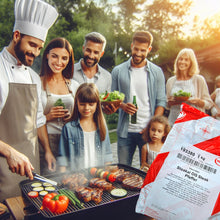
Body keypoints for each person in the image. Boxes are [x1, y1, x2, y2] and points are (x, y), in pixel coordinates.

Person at [0, 0, 58, 201]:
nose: (35, 52)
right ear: (17, 35)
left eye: (40, 47)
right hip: (3, 168)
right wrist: (9, 152)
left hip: (31, 165)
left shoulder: (33, 77)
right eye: (32, 44)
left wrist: (47, 151)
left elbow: (38, 121)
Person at [111, 31, 167, 166]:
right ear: (131, 46)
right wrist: (123, 106)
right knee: (123, 170)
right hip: (125, 132)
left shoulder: (157, 72)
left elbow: (161, 101)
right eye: (136, 49)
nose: (138, 53)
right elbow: (111, 98)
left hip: (148, 133)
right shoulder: (118, 71)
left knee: (149, 171)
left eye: (143, 50)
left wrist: (150, 125)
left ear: (149, 50)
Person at [39, 38, 79, 175]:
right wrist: (48, 116)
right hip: (44, 142)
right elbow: (30, 120)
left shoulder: (74, 85)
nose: (59, 62)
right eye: (55, 56)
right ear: (47, 56)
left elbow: (83, 117)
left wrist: (72, 117)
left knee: (70, 182)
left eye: (64, 58)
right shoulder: (37, 83)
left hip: (69, 142)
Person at [57, 83, 113, 172]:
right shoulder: (68, 128)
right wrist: (62, 178)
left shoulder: (102, 126)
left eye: (91, 104)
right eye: (82, 104)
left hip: (98, 177)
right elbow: (63, 159)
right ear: (77, 103)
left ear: (97, 104)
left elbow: (107, 156)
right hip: (78, 178)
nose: (86, 108)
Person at [166, 48, 213, 126]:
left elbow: (209, 104)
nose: (182, 62)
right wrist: (170, 102)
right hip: (174, 123)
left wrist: (198, 101)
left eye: (186, 60)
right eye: (180, 59)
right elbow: (167, 106)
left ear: (191, 63)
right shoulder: (171, 81)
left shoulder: (199, 79)